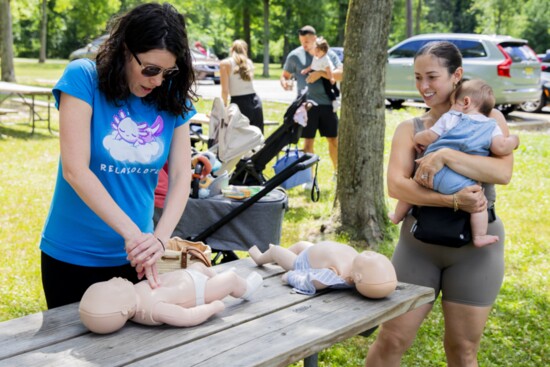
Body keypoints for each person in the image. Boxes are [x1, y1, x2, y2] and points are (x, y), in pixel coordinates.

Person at [365, 41, 515, 366]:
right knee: (391, 339)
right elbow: (396, 185)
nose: (423, 87)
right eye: (418, 77)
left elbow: (502, 172)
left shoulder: (490, 118)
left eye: (432, 76)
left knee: (462, 350)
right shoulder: (411, 128)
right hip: (418, 244)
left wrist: (445, 155)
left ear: (456, 75)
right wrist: (450, 200)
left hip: (476, 253)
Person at [40, 3, 196, 309]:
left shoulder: (171, 95)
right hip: (74, 255)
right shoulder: (83, 78)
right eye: (150, 69)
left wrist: (158, 242)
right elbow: (75, 170)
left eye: (168, 71)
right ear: (126, 49)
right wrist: (134, 236)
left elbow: (181, 176)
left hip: (139, 259)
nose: (157, 81)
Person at [390, 79, 519, 247]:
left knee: (414, 187)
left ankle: (397, 216)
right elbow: (501, 147)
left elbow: (430, 136)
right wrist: (515, 140)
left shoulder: (452, 117)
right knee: (478, 205)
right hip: (460, 182)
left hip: (431, 173)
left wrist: (418, 138)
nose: (451, 107)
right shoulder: (491, 126)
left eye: (453, 103)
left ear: (465, 102)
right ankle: (479, 236)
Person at [79, 262, 264, 334]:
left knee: (199, 265)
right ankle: (245, 288)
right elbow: (186, 317)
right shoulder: (153, 310)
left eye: (108, 282)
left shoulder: (134, 295)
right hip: (201, 291)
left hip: (189, 276)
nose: (115, 279)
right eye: (114, 287)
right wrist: (213, 307)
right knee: (230, 280)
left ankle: (216, 276)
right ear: (125, 309)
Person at [280, 25, 343, 180]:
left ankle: (338, 173)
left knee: (334, 140)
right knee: (308, 143)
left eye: (307, 41)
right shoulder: (295, 56)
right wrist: (285, 82)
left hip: (328, 104)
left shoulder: (328, 54)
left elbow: (341, 74)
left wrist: (320, 74)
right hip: (306, 106)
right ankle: (310, 178)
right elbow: (285, 75)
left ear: (315, 39)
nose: (304, 44)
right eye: (302, 41)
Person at [248, 241, 397, 299]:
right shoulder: (355, 263)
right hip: (312, 249)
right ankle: (279, 258)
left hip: (303, 263)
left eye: (372, 260)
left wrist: (291, 277)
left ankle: (261, 257)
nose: (372, 254)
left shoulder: (336, 275)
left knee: (276, 250)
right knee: (300, 245)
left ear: (358, 277)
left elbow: (311, 281)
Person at [220, 39, 264, 133]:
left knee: (238, 141)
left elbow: (225, 91)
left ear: (231, 50)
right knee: (256, 140)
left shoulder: (225, 63)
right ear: (245, 50)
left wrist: (223, 109)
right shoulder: (249, 63)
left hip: (239, 104)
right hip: (255, 102)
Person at [300, 37, 340, 112]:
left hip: (327, 74)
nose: (316, 53)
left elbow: (328, 70)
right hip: (320, 71)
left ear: (324, 51)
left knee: (329, 88)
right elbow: (312, 65)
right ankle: (335, 97)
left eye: (318, 51)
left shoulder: (325, 59)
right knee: (312, 76)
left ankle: (335, 100)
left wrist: (331, 78)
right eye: (315, 50)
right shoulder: (316, 57)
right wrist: (306, 70)